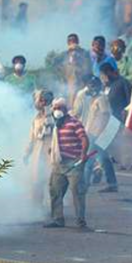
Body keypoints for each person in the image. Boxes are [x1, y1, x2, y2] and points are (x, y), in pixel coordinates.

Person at [45, 98, 89, 229]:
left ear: (66, 109)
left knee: (77, 192)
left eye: (61, 108)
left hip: (74, 163)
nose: (57, 110)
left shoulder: (74, 123)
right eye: (55, 108)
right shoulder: (55, 125)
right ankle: (58, 219)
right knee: (55, 191)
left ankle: (80, 221)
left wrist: (83, 153)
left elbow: (84, 138)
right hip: (59, 164)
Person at [72, 76, 114, 192]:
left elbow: (105, 116)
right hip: (92, 132)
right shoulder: (94, 98)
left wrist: (100, 133)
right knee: (104, 159)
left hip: (97, 134)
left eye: (93, 86)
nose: (90, 88)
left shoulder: (101, 99)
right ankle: (112, 183)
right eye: (90, 85)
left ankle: (84, 185)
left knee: (89, 160)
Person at [24, 90, 54, 207]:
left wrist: (48, 111)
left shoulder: (55, 115)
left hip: (51, 153)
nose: (40, 103)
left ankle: (53, 208)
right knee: (37, 182)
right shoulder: (36, 119)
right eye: (39, 100)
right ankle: (37, 208)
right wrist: (27, 153)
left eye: (43, 100)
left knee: (51, 182)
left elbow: (52, 126)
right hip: (38, 154)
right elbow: (32, 138)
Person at [58, 34, 92, 106]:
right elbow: (59, 68)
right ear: (68, 43)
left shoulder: (84, 53)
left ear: (78, 41)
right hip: (69, 84)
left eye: (74, 40)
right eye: (70, 41)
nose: (73, 42)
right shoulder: (64, 54)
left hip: (82, 83)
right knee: (70, 104)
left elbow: (88, 69)